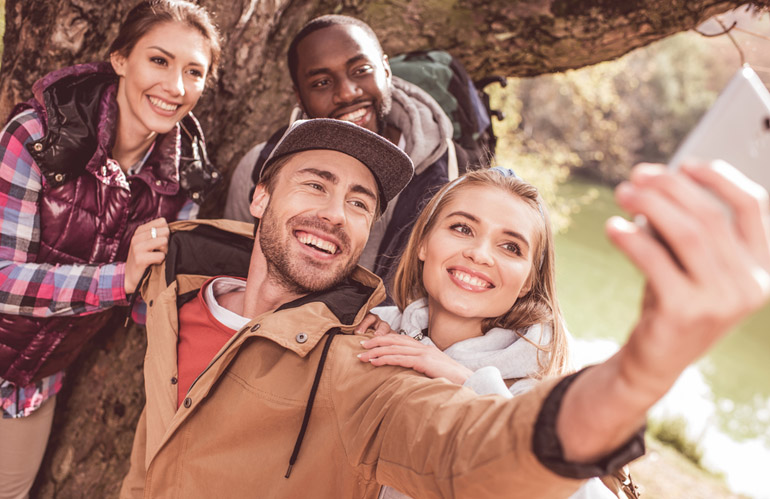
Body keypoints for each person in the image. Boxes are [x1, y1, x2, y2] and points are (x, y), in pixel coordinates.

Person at [121, 117, 770, 498]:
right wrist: (139, 262)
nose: (333, 213)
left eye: (358, 203)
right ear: (259, 197)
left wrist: (643, 368)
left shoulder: (363, 361)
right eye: (316, 184)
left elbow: (475, 447)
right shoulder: (172, 283)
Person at [0, 1, 221, 497]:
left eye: (194, 72)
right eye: (159, 61)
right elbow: (1, 279)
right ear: (120, 58)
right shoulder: (37, 136)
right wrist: (118, 278)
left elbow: (152, 308)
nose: (176, 88)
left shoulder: (182, 181)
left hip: (33, 384)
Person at [356, 167, 629, 498]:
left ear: (528, 280)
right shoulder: (372, 329)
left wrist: (469, 384)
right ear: (424, 242)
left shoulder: (537, 397)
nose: (480, 254)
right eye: (463, 228)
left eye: (511, 247)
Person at [224, 14, 458, 284]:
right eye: (321, 82)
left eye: (361, 70)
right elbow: (237, 272)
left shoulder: (451, 172)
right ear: (299, 95)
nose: (347, 93)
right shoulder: (260, 166)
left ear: (386, 70)